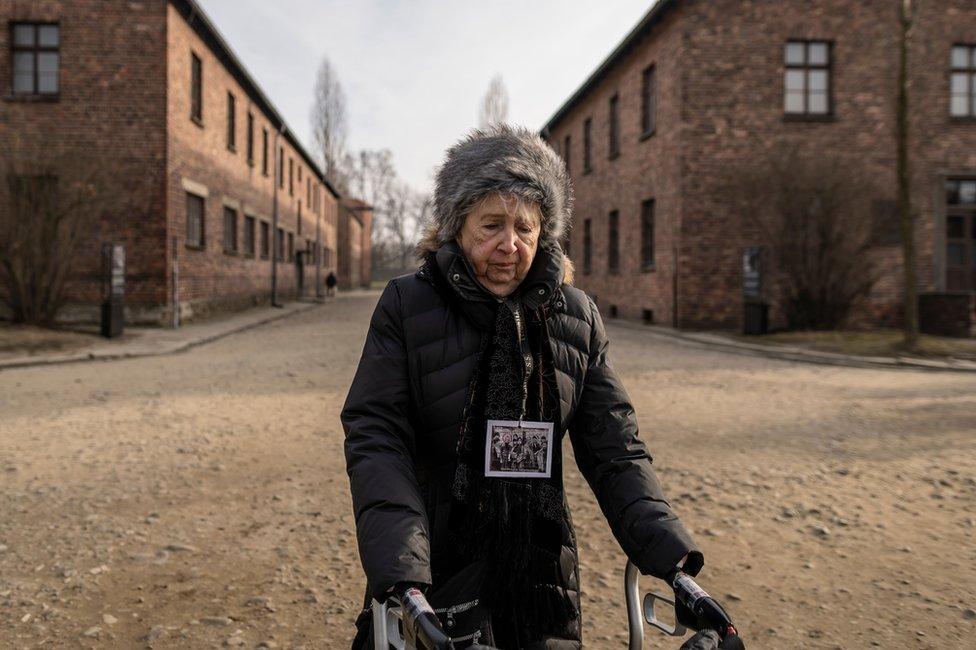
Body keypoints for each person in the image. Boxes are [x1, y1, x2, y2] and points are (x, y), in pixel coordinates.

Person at [342, 124, 707, 649]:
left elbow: (616, 449)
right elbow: (377, 434)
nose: (509, 245)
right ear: (457, 225)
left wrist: (672, 560)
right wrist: (402, 567)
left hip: (539, 568)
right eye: (491, 224)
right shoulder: (407, 304)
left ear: (545, 234)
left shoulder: (574, 316)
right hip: (434, 563)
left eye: (525, 228)